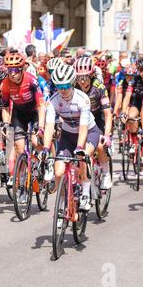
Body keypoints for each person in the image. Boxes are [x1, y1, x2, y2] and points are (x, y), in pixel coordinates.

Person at [42, 64, 102, 211]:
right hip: (68, 135)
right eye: (59, 86)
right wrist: (45, 148)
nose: (63, 90)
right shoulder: (54, 101)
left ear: (73, 83)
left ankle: (86, 194)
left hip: (89, 132)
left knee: (83, 157)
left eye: (66, 85)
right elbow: (49, 126)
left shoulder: (83, 99)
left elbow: (82, 128)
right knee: (59, 172)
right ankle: (62, 202)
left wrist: (80, 148)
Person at [2, 51, 45, 191]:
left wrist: (41, 126)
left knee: (34, 141)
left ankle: (41, 162)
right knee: (19, 148)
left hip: (34, 113)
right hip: (19, 114)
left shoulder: (31, 80)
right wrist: (6, 124)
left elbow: (41, 105)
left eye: (15, 70)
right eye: (9, 70)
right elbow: (5, 107)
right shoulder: (6, 83)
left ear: (22, 69)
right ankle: (21, 180)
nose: (12, 73)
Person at [74, 57, 113, 190]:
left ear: (91, 75)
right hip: (81, 120)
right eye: (79, 77)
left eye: (85, 77)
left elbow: (108, 114)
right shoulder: (73, 86)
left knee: (100, 146)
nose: (82, 81)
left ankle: (106, 172)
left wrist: (107, 135)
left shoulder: (99, 87)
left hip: (97, 118)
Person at [120, 56, 143, 152]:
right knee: (131, 117)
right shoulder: (134, 80)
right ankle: (135, 142)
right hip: (138, 103)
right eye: (141, 70)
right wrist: (123, 112)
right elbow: (127, 96)